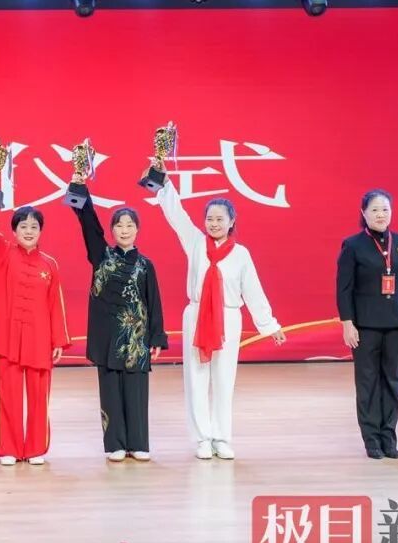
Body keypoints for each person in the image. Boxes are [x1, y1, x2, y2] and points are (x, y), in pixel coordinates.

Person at [150, 173, 285, 460]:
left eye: (220, 219)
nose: (214, 223)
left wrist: (269, 324)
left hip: (228, 318)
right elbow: (177, 216)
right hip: (197, 315)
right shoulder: (196, 242)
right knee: (196, 379)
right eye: (209, 218)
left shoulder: (241, 254)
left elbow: (253, 290)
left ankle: (222, 438)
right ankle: (202, 438)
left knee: (224, 380)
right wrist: (163, 182)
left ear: (231, 221)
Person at [67, 183, 167, 462]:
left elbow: (153, 302)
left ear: (137, 230)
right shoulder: (101, 256)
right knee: (110, 391)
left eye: (130, 225)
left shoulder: (146, 265)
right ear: (111, 230)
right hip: (108, 337)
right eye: (119, 225)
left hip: (136, 338)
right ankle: (115, 444)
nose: (124, 230)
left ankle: (138, 443)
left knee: (136, 393)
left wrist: (156, 337)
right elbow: (89, 226)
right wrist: (80, 188)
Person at [0, 192, 70, 466]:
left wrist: (58, 340)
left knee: (39, 396)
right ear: (14, 230)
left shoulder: (50, 264)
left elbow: (55, 305)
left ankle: (35, 449)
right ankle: (9, 448)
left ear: (41, 231)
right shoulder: (3, 254)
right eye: (23, 226)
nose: (28, 231)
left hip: (39, 339)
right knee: (8, 394)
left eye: (34, 226)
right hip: (8, 338)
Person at [336, 189, 398, 460]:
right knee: (368, 382)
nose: (380, 215)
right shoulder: (353, 246)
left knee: (393, 380)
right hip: (365, 325)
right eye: (374, 209)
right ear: (363, 213)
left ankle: (388, 436)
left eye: (385, 209)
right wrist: (347, 323)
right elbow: (344, 288)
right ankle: (371, 438)